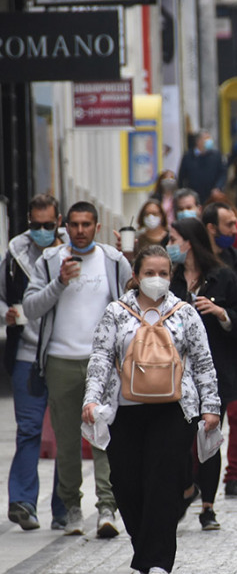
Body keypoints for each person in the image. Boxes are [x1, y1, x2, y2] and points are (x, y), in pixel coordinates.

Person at [82, 245, 220, 574]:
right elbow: (101, 357)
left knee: (162, 483)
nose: (156, 279)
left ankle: (157, 563)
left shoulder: (185, 313)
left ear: (171, 276)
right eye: (149, 273)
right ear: (135, 275)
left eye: (163, 273)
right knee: (126, 484)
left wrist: (210, 406)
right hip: (125, 411)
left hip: (174, 411)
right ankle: (146, 551)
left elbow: (203, 362)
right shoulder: (116, 312)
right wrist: (91, 398)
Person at [23, 201, 133, 537]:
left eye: (87, 224)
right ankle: (72, 508)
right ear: (65, 226)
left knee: (103, 435)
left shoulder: (113, 260)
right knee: (67, 441)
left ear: (97, 227)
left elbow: (132, 303)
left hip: (103, 362)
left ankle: (107, 508)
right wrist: (58, 282)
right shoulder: (49, 261)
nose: (80, 230)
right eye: (74, 224)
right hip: (60, 360)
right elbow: (31, 308)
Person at [167, 218, 237, 530]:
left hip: (216, 371)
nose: (169, 245)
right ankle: (188, 487)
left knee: (209, 436)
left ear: (189, 242)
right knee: (179, 440)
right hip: (177, 374)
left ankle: (208, 507)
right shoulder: (169, 279)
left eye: (173, 239)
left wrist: (221, 313)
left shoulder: (222, 276)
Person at [2, 194, 68, 531]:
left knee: (66, 432)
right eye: (35, 225)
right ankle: (22, 502)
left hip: (64, 353)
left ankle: (63, 506)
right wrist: (7, 314)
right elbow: (1, 297)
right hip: (27, 353)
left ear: (59, 222)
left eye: (48, 224)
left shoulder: (73, 254)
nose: (42, 231)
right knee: (28, 429)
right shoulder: (15, 254)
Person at [202, 202, 237, 475]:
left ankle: (234, 474)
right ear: (211, 228)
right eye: (229, 225)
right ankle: (199, 477)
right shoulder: (195, 264)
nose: (235, 230)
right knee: (205, 417)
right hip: (204, 350)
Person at [177, 130, 227, 205]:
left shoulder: (216, 155)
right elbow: (181, 177)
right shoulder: (188, 157)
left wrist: (218, 187)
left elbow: (222, 173)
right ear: (198, 141)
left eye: (209, 138)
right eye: (206, 138)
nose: (209, 141)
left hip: (212, 195)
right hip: (194, 196)